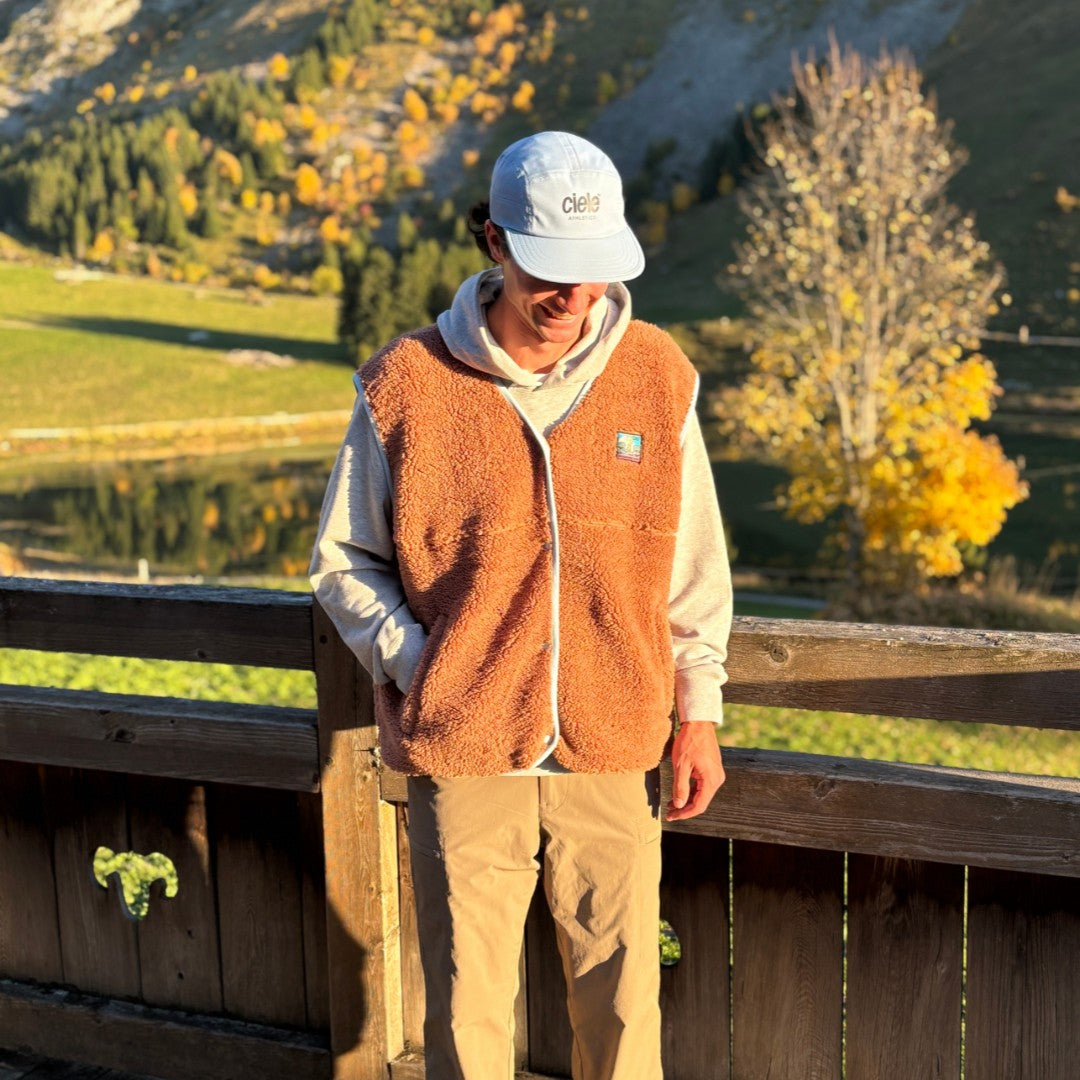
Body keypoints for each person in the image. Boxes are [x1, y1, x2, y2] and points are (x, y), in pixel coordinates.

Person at [309, 130, 732, 1080]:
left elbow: (693, 568)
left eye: (592, 272)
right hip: (464, 746)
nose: (574, 298)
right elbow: (343, 561)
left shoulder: (657, 375)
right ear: (494, 241)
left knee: (624, 1010)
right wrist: (422, 665)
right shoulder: (406, 384)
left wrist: (699, 711)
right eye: (549, 271)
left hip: (617, 736)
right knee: (466, 1012)